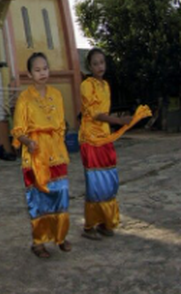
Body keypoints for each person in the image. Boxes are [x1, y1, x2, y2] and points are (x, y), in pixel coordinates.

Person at [79, 48, 151, 240]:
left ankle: (104, 222)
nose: (99, 66)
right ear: (89, 66)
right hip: (91, 139)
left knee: (109, 179)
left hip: (105, 137)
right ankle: (89, 226)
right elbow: (95, 113)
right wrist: (119, 121)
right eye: (95, 63)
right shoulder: (87, 85)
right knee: (95, 182)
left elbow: (105, 113)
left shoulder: (106, 86)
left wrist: (118, 122)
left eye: (102, 62)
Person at [11, 53, 71, 258]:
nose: (42, 72)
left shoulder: (56, 94)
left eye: (45, 68)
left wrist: (58, 142)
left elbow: (61, 124)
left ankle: (60, 235)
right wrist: (27, 141)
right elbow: (18, 129)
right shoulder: (25, 98)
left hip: (55, 151)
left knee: (61, 192)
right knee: (38, 197)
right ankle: (38, 242)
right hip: (35, 153)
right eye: (37, 70)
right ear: (29, 74)